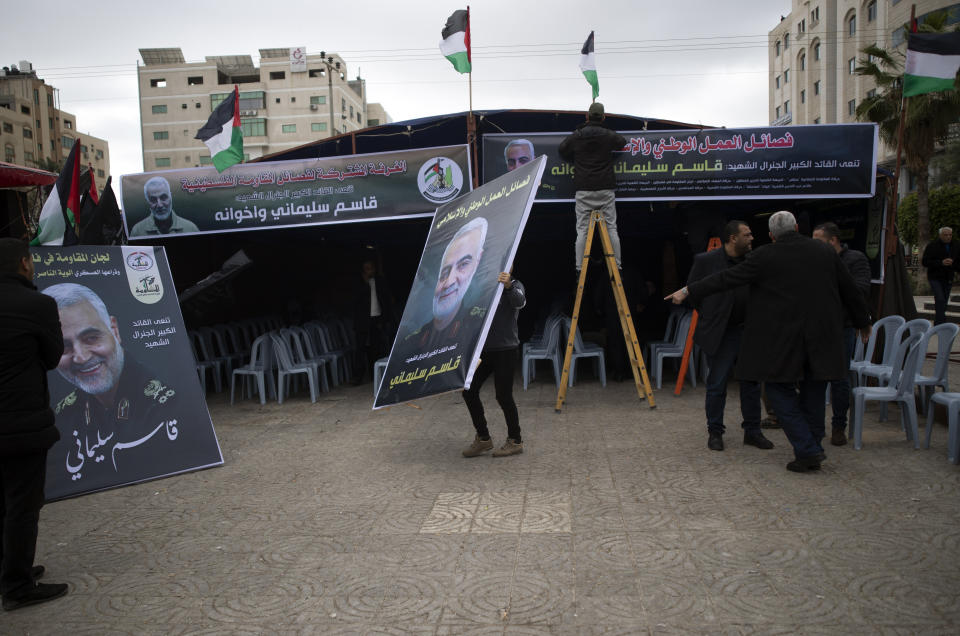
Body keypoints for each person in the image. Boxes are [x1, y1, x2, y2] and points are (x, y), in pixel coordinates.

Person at [666, 211, 871, 473]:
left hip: (787, 340)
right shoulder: (825, 252)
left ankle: (807, 448)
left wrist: (688, 290)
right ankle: (812, 445)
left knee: (776, 390)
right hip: (823, 337)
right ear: (797, 227)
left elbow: (725, 279)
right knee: (814, 391)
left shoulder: (764, 256)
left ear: (772, 235)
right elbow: (849, 288)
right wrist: (862, 319)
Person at [41, 283, 181, 481]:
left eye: (91, 337)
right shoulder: (64, 417)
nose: (80, 357)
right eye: (62, 347)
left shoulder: (171, 404)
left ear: (114, 330)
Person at [0, 238, 69, 611]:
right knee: (23, 505)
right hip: (21, 424)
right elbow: (52, 357)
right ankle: (17, 585)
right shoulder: (37, 305)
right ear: (24, 263)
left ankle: (10, 567)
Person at [687, 220, 773, 452]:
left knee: (752, 383)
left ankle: (753, 431)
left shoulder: (753, 261)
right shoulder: (706, 261)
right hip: (720, 332)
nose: (752, 238)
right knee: (717, 384)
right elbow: (694, 292)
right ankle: (715, 432)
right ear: (733, 238)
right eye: (747, 234)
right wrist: (711, 314)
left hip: (748, 331)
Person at [813, 221, 871, 446]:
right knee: (815, 378)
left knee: (839, 378)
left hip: (842, 326)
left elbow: (860, 291)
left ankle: (839, 426)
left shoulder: (855, 259)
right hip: (818, 326)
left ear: (833, 240)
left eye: (818, 241)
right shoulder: (816, 261)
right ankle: (815, 426)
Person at [461, 272, 527, 457]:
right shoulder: (485, 285)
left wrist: (508, 287)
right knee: (469, 390)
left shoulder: (515, 284)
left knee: (503, 396)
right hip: (484, 350)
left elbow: (520, 302)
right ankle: (483, 439)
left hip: (506, 349)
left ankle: (516, 440)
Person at [558, 102, 626, 273]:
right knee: (611, 227)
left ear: (587, 117)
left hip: (584, 190)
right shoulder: (607, 135)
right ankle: (616, 266)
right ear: (603, 117)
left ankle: (579, 268)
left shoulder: (578, 135)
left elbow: (562, 149)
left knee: (582, 230)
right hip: (605, 189)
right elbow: (622, 142)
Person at [403, 217, 487, 351]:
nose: (449, 282)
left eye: (463, 265)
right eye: (444, 273)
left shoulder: (479, 324)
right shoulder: (411, 341)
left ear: (477, 262)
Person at [353, 258, 396, 383]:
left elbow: (386, 299)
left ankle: (375, 375)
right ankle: (358, 376)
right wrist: (366, 284)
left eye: (371, 268)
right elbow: (356, 301)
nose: (369, 271)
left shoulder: (379, 281)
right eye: (367, 269)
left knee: (375, 347)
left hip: (376, 319)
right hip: (362, 321)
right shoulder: (359, 283)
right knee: (360, 349)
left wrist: (385, 319)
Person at [130, 177, 199, 236]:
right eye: (153, 200)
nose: (159, 205)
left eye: (163, 197)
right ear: (147, 201)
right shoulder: (137, 231)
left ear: (171, 197)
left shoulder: (191, 229)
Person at [921, 226, 960, 325]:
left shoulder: (956, 246)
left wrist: (953, 263)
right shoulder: (932, 246)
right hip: (935, 277)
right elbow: (925, 262)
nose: (948, 237)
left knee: (944, 300)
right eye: (945, 235)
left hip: (948, 277)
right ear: (940, 235)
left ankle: (939, 321)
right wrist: (941, 262)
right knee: (940, 298)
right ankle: (940, 323)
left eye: (950, 235)